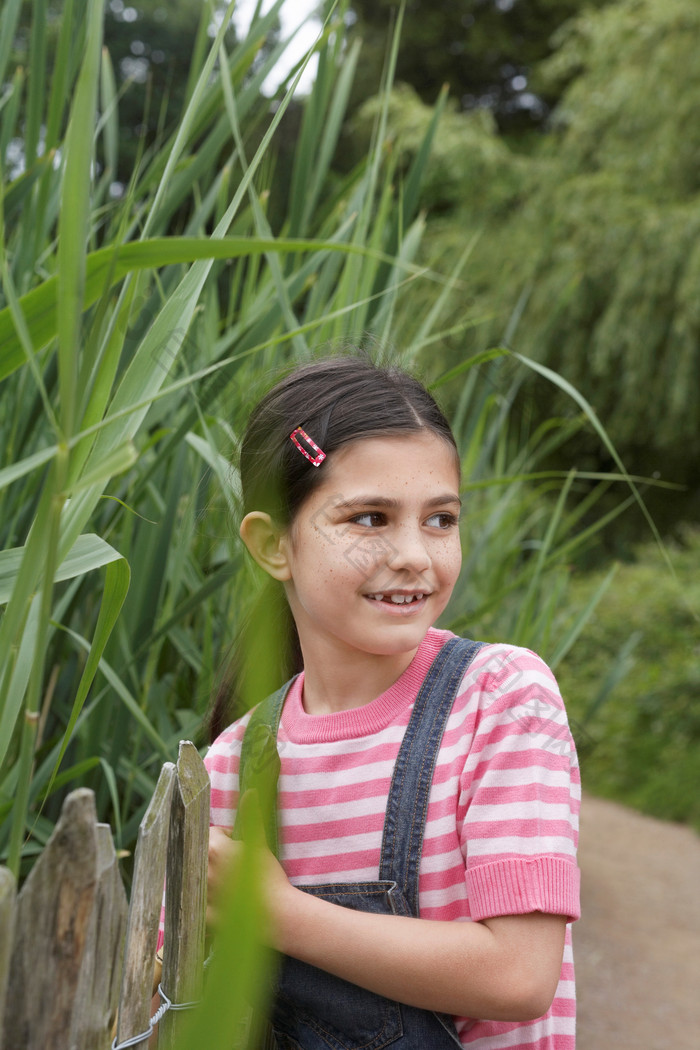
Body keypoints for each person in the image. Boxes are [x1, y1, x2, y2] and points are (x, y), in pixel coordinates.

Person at [205, 354, 580, 1049]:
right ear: (270, 543)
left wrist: (276, 911)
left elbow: (520, 977)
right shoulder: (232, 767)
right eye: (371, 517)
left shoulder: (498, 702)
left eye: (440, 519)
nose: (414, 553)